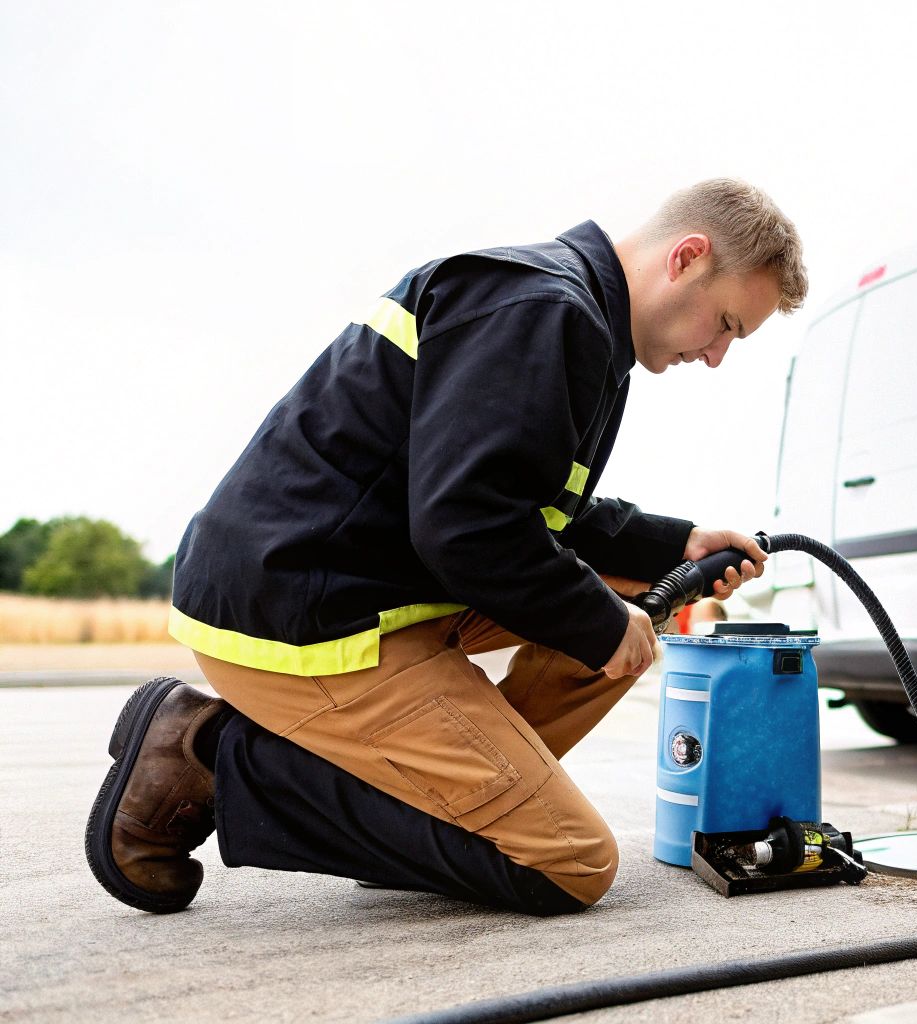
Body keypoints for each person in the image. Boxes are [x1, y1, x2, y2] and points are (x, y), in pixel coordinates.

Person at [86, 179, 808, 917]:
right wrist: (596, 623)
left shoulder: (570, 314)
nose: (717, 355)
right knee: (570, 863)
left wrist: (675, 544)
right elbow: (466, 524)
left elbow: (526, 501)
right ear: (687, 257)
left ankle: (463, 799)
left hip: (368, 582)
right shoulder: (544, 310)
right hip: (304, 609)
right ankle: (206, 755)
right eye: (725, 324)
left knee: (628, 602)